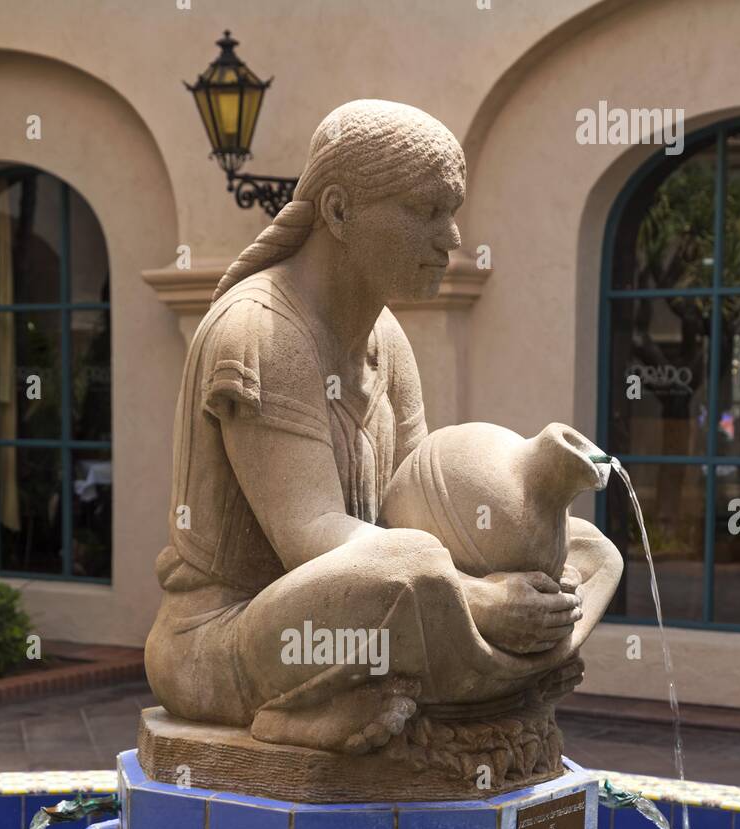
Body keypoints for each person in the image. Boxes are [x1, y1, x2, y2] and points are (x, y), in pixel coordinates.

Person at [145, 99, 610, 754]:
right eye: (426, 211)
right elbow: (315, 538)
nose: (451, 238)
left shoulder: (386, 340)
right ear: (338, 211)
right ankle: (304, 709)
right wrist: (479, 601)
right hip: (225, 643)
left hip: (376, 603)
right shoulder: (259, 332)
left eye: (452, 213)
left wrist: (519, 559)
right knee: (407, 566)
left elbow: (414, 508)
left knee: (588, 552)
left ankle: (410, 685)